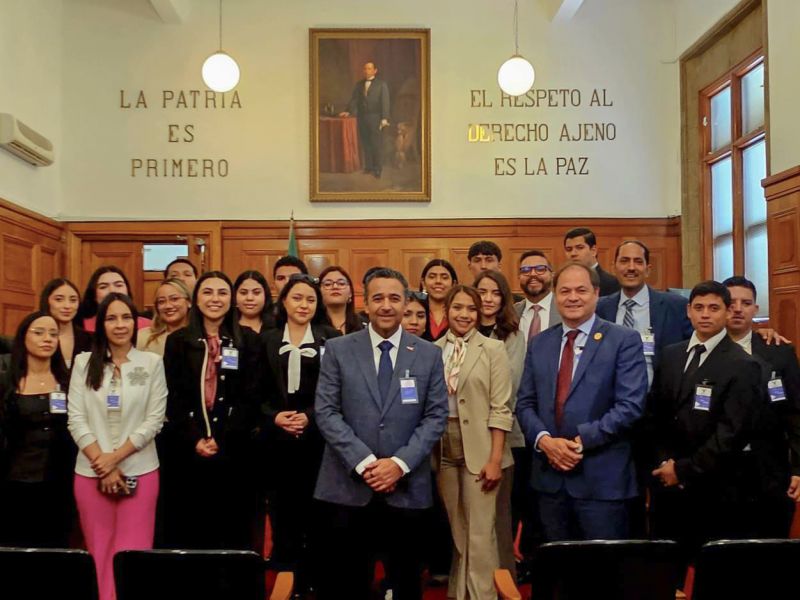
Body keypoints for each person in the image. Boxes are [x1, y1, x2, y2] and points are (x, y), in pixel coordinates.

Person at [313, 268, 448, 600]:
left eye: (394, 298)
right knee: (347, 582)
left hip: (406, 487)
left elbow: (435, 416)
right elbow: (326, 412)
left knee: (405, 582)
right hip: (347, 487)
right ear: (365, 304)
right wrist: (365, 463)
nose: (386, 306)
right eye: (378, 298)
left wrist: (398, 464)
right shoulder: (338, 348)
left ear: (406, 303)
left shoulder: (429, 354)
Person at [516, 263, 648, 540]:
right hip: (550, 481)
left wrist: (579, 443)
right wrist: (545, 442)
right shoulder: (540, 343)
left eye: (581, 290)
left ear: (596, 293)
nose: (572, 297)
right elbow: (525, 403)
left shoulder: (623, 340)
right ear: (555, 295)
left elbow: (630, 405)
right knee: (557, 574)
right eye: (564, 291)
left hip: (602, 481)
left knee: (604, 575)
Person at [648, 281, 763, 564]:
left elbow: (732, 433)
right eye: (699, 307)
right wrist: (665, 463)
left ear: (726, 313)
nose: (705, 315)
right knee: (665, 565)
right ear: (688, 311)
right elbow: (655, 415)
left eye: (714, 308)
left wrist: (684, 470)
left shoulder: (743, 364)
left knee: (708, 570)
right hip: (666, 482)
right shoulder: (671, 354)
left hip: (713, 487)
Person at [68, 293, 167, 600]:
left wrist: (116, 458)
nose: (120, 324)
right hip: (90, 474)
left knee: (132, 555)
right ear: (101, 325)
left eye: (126, 317)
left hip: (140, 471)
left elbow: (154, 420)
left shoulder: (151, 363)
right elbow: (76, 418)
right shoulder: (84, 363)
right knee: (98, 553)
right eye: (111, 318)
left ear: (135, 322)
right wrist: (102, 463)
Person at [162, 271, 264, 550]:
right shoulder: (178, 342)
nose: (215, 299)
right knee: (192, 529)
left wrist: (223, 438)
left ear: (232, 300)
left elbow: (251, 396)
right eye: (207, 292)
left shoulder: (250, 341)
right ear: (195, 299)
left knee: (233, 531)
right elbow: (174, 397)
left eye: (222, 293)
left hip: (234, 450)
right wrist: (195, 439)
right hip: (189, 450)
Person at [261, 274, 340, 594]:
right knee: (282, 513)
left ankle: (314, 582)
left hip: (317, 440)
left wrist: (308, 417)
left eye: (310, 299)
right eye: (297, 298)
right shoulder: (266, 339)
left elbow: (335, 390)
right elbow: (254, 391)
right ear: (283, 301)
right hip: (276, 440)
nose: (303, 304)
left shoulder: (330, 338)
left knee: (318, 515)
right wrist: (275, 417)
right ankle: (286, 578)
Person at [433, 285, 513, 600]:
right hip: (443, 446)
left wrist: (495, 459)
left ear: (479, 313)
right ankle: (458, 592)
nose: (464, 314)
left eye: (471, 309)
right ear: (447, 311)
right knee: (459, 531)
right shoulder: (432, 348)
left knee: (480, 533)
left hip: (482, 447)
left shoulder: (493, 349)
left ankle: (483, 596)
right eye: (457, 308)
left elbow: (501, 408)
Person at [723, 275, 800, 534]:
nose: (737, 308)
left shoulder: (779, 352)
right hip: (718, 472)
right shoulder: (702, 351)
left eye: (746, 303)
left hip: (769, 471)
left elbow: (796, 414)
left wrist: (798, 468)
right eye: (731, 302)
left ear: (755, 310)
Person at [0, 312, 75, 548]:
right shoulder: (6, 382)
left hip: (59, 483)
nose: (48, 339)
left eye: (54, 334)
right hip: (15, 482)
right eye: (39, 332)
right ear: (23, 338)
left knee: (55, 546)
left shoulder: (68, 380)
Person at [474, 270, 526, 580]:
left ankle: (505, 575)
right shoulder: (463, 331)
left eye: (495, 293)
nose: (488, 299)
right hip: (463, 436)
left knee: (501, 515)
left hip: (503, 435)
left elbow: (510, 385)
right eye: (482, 292)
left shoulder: (512, 334)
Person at [339, 61, 390, 178]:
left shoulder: (381, 84)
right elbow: (354, 100)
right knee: (366, 143)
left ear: (375, 71)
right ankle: (369, 167)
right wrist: (348, 111)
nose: (367, 71)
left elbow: (385, 102)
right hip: (362, 118)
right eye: (365, 69)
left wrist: (384, 118)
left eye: (369, 68)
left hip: (376, 118)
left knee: (376, 144)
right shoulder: (359, 84)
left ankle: (377, 169)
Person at [77, 266, 152, 333]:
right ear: (94, 295)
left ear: (127, 291)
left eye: (118, 285)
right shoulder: (82, 326)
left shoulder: (147, 326)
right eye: (103, 287)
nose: (112, 290)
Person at [40, 277, 93, 369]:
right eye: (59, 299)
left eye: (73, 300)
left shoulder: (89, 339)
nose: (67, 306)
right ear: (47, 301)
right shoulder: (36, 336)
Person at [514, 250, 560, 345]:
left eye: (540, 269)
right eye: (526, 270)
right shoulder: (512, 313)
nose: (533, 274)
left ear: (552, 275)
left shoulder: (565, 309)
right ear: (519, 276)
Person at [137, 278, 191, 356]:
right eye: (161, 301)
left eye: (174, 299)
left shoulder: (199, 337)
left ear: (189, 302)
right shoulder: (143, 336)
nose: (168, 306)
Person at [563, 227, 620, 296]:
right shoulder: (563, 282)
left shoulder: (612, 283)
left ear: (593, 251)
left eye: (579, 248)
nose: (573, 253)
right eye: (569, 249)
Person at [319, 265, 364, 334]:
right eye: (328, 284)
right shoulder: (311, 326)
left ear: (350, 293)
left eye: (341, 283)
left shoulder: (363, 326)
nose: (335, 287)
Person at [421, 258, 458, 342]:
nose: (438, 281)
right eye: (432, 277)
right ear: (423, 283)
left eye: (444, 278)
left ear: (454, 284)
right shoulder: (415, 310)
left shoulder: (460, 312)